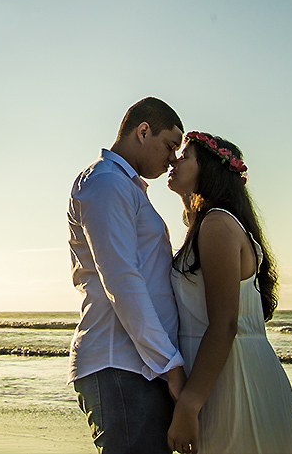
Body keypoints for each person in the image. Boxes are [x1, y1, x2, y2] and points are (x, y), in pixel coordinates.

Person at [166, 131, 292, 454]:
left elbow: (225, 323)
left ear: (208, 170)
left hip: (233, 379)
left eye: (185, 157)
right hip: (218, 375)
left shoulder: (218, 225)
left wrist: (188, 404)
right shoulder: (205, 225)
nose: (175, 159)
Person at [68, 97, 188, 454]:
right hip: (120, 365)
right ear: (143, 130)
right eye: (170, 145)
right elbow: (122, 280)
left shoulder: (124, 185)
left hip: (138, 366)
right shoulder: (107, 183)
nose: (172, 159)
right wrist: (170, 363)